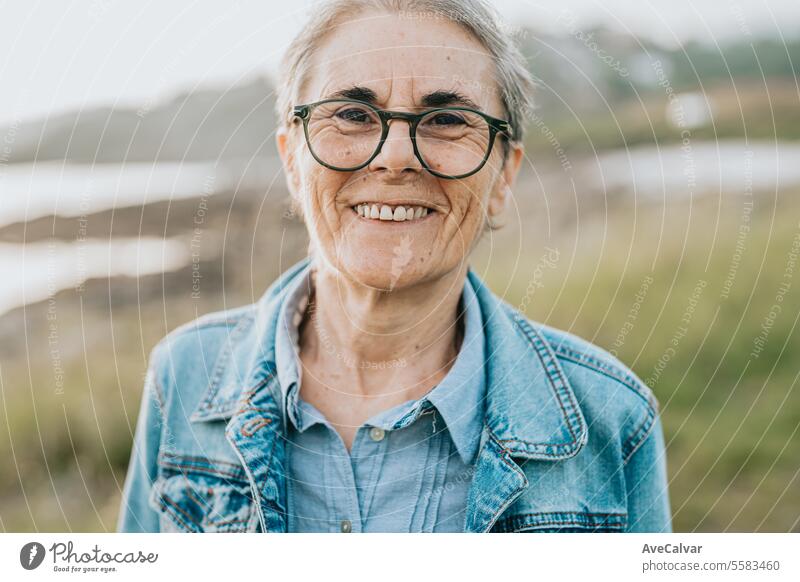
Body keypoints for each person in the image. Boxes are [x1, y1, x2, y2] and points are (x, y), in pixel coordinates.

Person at [117, 0, 671, 533]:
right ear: (291, 159)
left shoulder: (613, 422)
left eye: (448, 119)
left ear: (504, 176)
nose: (396, 156)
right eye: (353, 114)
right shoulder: (183, 379)